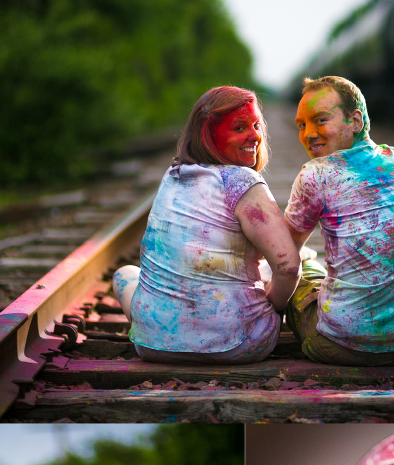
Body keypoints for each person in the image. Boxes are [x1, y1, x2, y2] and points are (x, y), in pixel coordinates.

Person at [283, 75, 394, 366]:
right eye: (302, 124)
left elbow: (284, 254)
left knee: (304, 264)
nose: (308, 133)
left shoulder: (315, 174)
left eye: (320, 120)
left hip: (344, 347)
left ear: (355, 121)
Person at [113, 86, 301, 364]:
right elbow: (288, 267)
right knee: (297, 267)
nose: (255, 136)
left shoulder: (173, 175)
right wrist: (275, 309)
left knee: (124, 274)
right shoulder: (243, 183)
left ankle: (157, 330)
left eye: (256, 125)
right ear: (208, 136)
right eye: (239, 127)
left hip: (153, 346)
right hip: (240, 342)